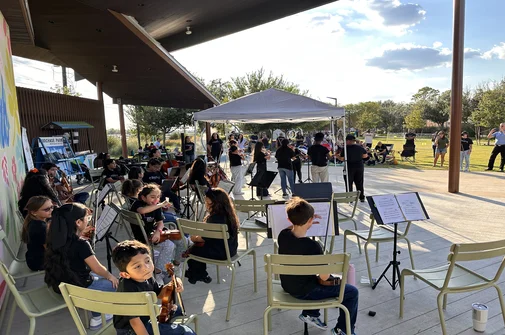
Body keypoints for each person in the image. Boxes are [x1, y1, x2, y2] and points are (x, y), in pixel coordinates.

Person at [278, 197, 358, 335]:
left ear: (290, 220)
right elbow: (324, 276)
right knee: (351, 292)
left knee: (308, 279)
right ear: (310, 221)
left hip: (288, 285)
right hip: (306, 291)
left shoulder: (283, 235)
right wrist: (328, 264)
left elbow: (293, 227)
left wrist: (304, 220)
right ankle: (342, 330)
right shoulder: (313, 246)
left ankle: (311, 313)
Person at [44, 203, 119, 330]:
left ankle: (97, 306)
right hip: (78, 289)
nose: (88, 221)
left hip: (61, 286)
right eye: (87, 219)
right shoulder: (81, 244)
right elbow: (98, 268)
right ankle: (98, 317)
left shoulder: (53, 238)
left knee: (95, 277)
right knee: (116, 284)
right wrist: (111, 276)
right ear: (78, 222)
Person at [112, 240, 195, 335]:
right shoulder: (128, 289)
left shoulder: (146, 277)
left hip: (145, 316)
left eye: (147, 261)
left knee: (177, 309)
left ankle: (164, 327)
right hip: (131, 330)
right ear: (125, 274)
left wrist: (175, 282)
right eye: (138, 266)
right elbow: (135, 322)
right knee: (186, 332)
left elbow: (159, 293)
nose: (146, 267)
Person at [130, 184, 184, 281]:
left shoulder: (156, 206)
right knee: (169, 245)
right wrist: (159, 204)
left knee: (182, 240)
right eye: (152, 197)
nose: (156, 199)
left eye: (158, 197)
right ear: (143, 197)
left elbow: (160, 223)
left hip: (155, 233)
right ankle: (158, 271)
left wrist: (158, 232)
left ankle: (176, 264)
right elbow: (142, 211)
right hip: (143, 237)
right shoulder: (138, 204)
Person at [185, 188, 238, 284]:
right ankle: (200, 274)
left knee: (193, 250)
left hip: (218, 253)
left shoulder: (213, 219)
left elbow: (203, 238)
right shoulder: (230, 215)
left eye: (207, 202)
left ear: (214, 203)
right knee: (197, 247)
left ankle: (197, 275)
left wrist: (193, 238)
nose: (205, 203)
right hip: (231, 250)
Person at [21, 196, 53, 271]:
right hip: (39, 262)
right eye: (47, 209)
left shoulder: (33, 222)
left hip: (33, 259)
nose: (51, 210)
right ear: (34, 212)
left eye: (51, 207)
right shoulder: (39, 227)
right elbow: (50, 249)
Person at [335, 135, 367, 202]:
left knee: (348, 182)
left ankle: (350, 197)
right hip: (359, 166)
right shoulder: (360, 147)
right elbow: (365, 156)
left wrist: (337, 157)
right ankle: (361, 197)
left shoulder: (345, 148)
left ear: (348, 141)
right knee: (359, 183)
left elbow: (343, 158)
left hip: (349, 167)